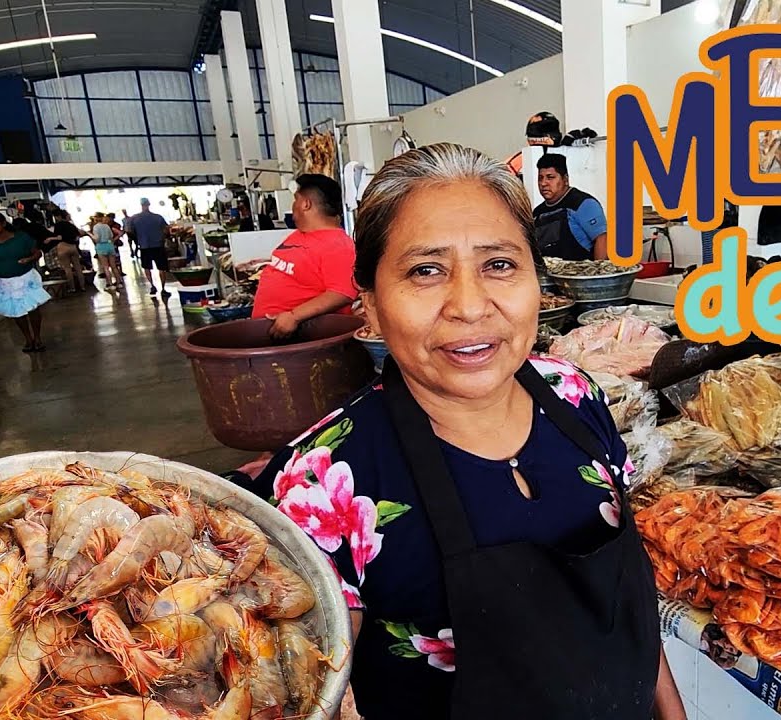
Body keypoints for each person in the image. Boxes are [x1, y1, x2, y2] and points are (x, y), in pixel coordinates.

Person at [229, 144, 686, 720]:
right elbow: (306, 695)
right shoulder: (320, 484)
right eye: (426, 270)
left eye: (499, 264)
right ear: (368, 301)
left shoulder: (574, 394)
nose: (470, 306)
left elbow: (629, 600)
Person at [251, 174, 359, 339]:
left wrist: (294, 316)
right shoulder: (299, 235)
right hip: (272, 335)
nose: (293, 205)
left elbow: (342, 293)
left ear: (305, 203)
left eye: (296, 199)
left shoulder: (337, 244)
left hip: (303, 340)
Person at [0, 212, 49, 352]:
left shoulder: (21, 237)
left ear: (3, 223)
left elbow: (37, 252)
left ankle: (38, 337)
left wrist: (29, 259)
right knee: (16, 311)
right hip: (4, 282)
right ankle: (28, 339)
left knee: (33, 308)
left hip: (26, 277)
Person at [533, 153, 610, 260]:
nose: (543, 183)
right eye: (540, 178)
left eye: (550, 177)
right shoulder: (537, 213)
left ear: (565, 179)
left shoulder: (583, 204)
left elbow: (602, 239)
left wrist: (599, 273)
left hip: (582, 273)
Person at [125, 198, 171, 297]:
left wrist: (137, 239)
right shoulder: (158, 217)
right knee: (161, 268)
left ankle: (152, 286)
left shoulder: (134, 218)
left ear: (141, 205)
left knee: (147, 267)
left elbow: (129, 231)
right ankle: (163, 289)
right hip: (158, 245)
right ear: (149, 204)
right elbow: (166, 230)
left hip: (144, 246)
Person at [48, 210, 88, 293]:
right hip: (73, 247)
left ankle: (72, 288)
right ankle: (82, 286)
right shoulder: (71, 225)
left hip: (63, 247)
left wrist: (50, 238)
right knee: (78, 268)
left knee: (67, 269)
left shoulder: (58, 225)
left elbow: (59, 237)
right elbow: (79, 235)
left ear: (58, 217)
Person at [90, 213, 121, 289]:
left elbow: (97, 239)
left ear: (97, 218)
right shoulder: (107, 226)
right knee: (114, 266)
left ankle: (110, 284)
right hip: (109, 245)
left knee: (106, 267)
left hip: (101, 246)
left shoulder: (96, 227)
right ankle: (119, 282)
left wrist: (90, 235)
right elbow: (111, 236)